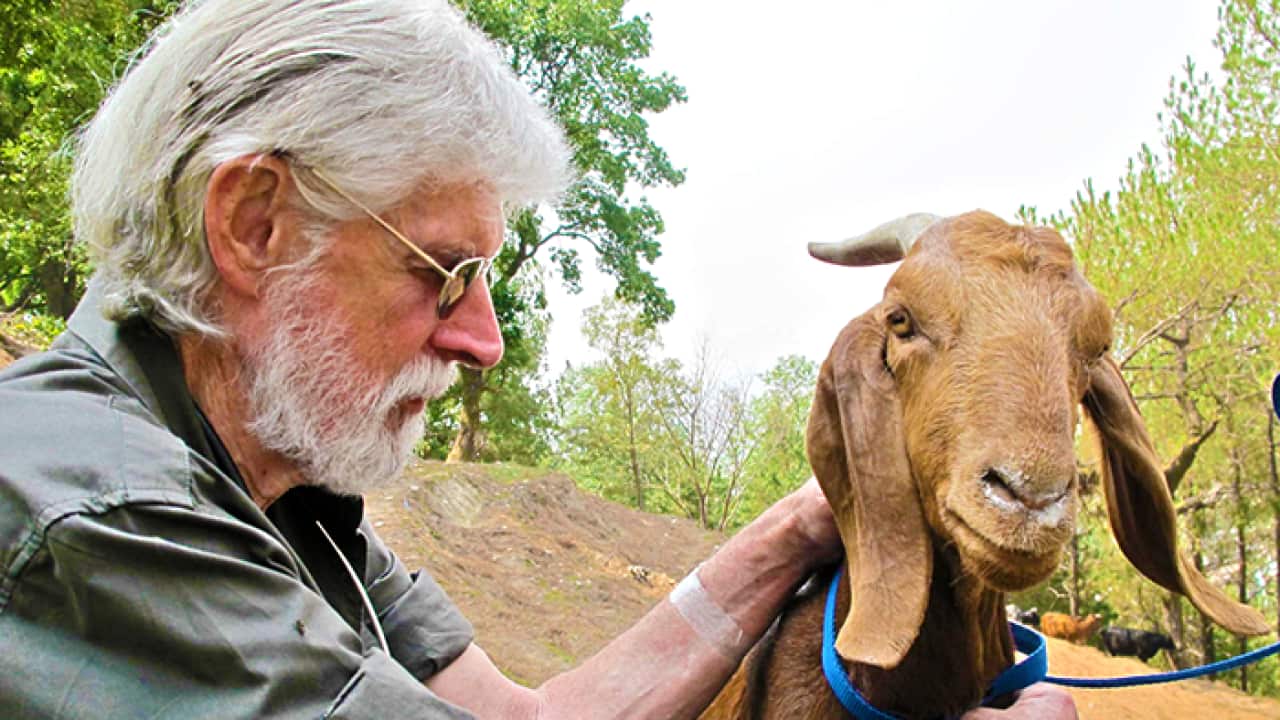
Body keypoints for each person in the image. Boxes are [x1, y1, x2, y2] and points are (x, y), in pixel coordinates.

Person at [0, 1, 1076, 717]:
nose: (483, 341)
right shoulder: (91, 511)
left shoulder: (284, 500)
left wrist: (810, 520)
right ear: (255, 224)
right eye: (446, 270)